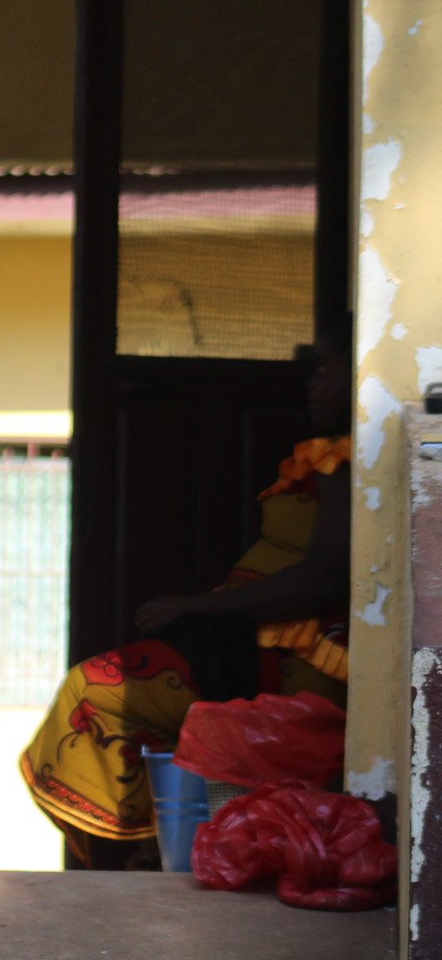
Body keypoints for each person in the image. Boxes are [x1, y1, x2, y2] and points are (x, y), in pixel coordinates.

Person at [21, 337, 352, 869]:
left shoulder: (349, 463)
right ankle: (156, 846)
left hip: (294, 654)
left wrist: (195, 606)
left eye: (326, 371)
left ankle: (143, 849)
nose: (311, 385)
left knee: (99, 690)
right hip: (254, 638)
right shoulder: (327, 456)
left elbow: (323, 578)